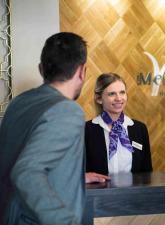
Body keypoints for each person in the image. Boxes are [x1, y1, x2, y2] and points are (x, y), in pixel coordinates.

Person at [0, 32, 87, 225]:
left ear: (41, 69)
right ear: (82, 71)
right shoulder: (68, 110)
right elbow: (26, 170)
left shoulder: (18, 103)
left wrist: (75, 176)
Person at [85, 73, 152, 183]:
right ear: (99, 99)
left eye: (122, 92)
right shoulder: (86, 130)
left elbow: (147, 172)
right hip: (98, 197)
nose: (119, 98)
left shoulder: (140, 129)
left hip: (134, 196)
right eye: (112, 94)